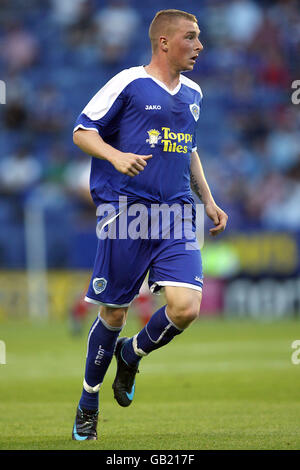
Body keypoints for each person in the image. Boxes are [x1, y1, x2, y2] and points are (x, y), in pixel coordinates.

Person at [71, 9, 228, 441]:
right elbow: (82, 132)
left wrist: (208, 199)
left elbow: (188, 148)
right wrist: (116, 156)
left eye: (199, 38)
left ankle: (133, 354)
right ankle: (88, 402)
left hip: (177, 214)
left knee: (186, 308)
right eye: (191, 38)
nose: (199, 46)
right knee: (115, 311)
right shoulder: (128, 83)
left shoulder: (194, 92)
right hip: (127, 213)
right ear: (163, 42)